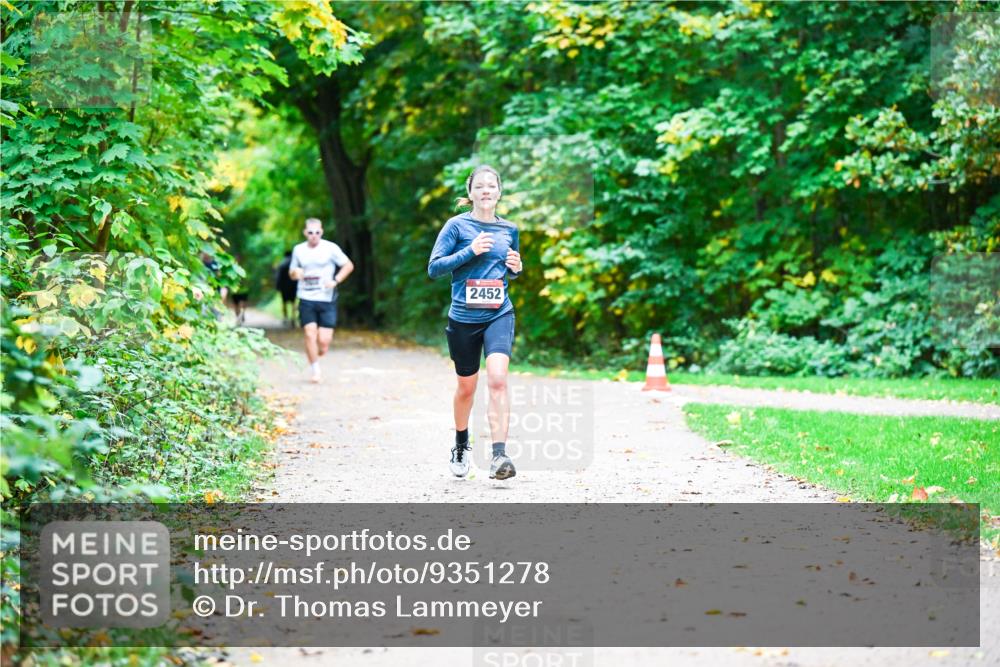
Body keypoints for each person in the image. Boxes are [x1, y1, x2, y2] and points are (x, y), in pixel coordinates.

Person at [428, 165, 523, 481]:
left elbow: (509, 268)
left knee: (497, 379)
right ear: (470, 193)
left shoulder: (509, 229)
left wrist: (516, 268)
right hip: (463, 318)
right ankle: (460, 444)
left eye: (491, 186)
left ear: (499, 192)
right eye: (479, 186)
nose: (486, 191)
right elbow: (434, 268)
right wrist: (470, 250)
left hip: (499, 313)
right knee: (466, 388)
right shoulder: (456, 226)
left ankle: (499, 456)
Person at [289, 218, 354, 383]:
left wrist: (336, 280)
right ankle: (315, 370)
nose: (314, 235)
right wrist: (295, 273)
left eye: (317, 232)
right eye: (310, 232)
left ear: (322, 232)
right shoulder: (298, 250)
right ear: (305, 233)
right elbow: (292, 272)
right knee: (309, 333)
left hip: (326, 298)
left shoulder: (330, 248)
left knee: (324, 342)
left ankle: (318, 352)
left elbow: (348, 265)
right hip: (306, 297)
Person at [275, 250, 298, 327]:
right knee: (293, 302)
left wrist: (278, 287)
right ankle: (293, 318)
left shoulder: (282, 263)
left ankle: (285, 317)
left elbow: (278, 277)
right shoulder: (294, 264)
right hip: (293, 286)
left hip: (284, 287)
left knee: (284, 302)